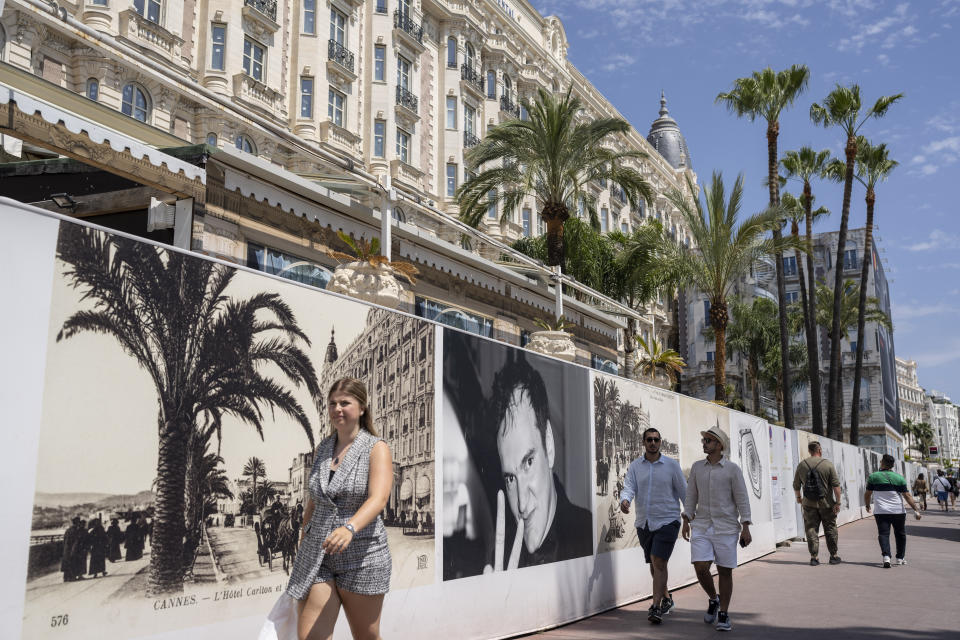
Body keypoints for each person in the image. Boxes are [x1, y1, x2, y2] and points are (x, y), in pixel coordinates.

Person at [286, 378, 393, 640]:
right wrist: (303, 538)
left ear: (362, 407)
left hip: (363, 558)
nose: (337, 409)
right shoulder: (323, 448)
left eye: (345, 402)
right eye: (332, 403)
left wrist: (349, 528)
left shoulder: (376, 448)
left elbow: (378, 499)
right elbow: (314, 500)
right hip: (317, 556)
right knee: (310, 637)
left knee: (366, 636)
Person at [485, 356, 592, 571]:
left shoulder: (590, 536)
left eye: (528, 462)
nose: (522, 505)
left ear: (549, 446)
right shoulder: (500, 560)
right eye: (510, 479)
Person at [681, 424, 751, 632]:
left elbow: (742, 499)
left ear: (719, 445)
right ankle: (713, 598)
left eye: (708, 440)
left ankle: (724, 614)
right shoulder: (696, 467)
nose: (704, 443)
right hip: (701, 524)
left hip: (727, 527)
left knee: (724, 571)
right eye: (704, 440)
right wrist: (686, 519)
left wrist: (746, 526)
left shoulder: (732, 469)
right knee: (700, 567)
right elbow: (691, 495)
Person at [619, 427, 687, 624]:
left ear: (661, 442)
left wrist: (688, 518)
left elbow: (685, 492)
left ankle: (655, 607)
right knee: (655, 565)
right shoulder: (635, 466)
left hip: (668, 521)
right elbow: (629, 487)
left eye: (656, 439)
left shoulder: (672, 466)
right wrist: (625, 500)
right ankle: (667, 599)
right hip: (644, 524)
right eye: (649, 439)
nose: (653, 443)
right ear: (644, 442)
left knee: (658, 561)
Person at [864, 454, 922, 568]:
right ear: (892, 465)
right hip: (898, 511)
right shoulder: (899, 478)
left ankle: (886, 557)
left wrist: (867, 505)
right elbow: (907, 495)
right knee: (900, 534)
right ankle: (900, 558)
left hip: (881, 511)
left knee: (883, 534)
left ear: (882, 462)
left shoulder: (873, 477)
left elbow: (867, 494)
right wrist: (916, 509)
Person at [792, 441, 842, 566]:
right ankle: (833, 556)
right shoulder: (828, 465)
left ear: (809, 451)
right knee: (830, 528)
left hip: (808, 504)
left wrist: (799, 498)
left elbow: (796, 485)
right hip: (827, 504)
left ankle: (814, 557)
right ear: (819, 450)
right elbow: (836, 486)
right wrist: (838, 502)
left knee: (811, 529)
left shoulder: (802, 465)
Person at [61, 517, 87, 582]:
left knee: (68, 563)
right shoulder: (75, 530)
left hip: (67, 549)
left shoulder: (68, 530)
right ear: (77, 523)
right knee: (73, 562)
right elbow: (76, 541)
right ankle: (72, 577)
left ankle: (67, 578)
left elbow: (65, 541)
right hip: (72, 549)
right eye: (78, 522)